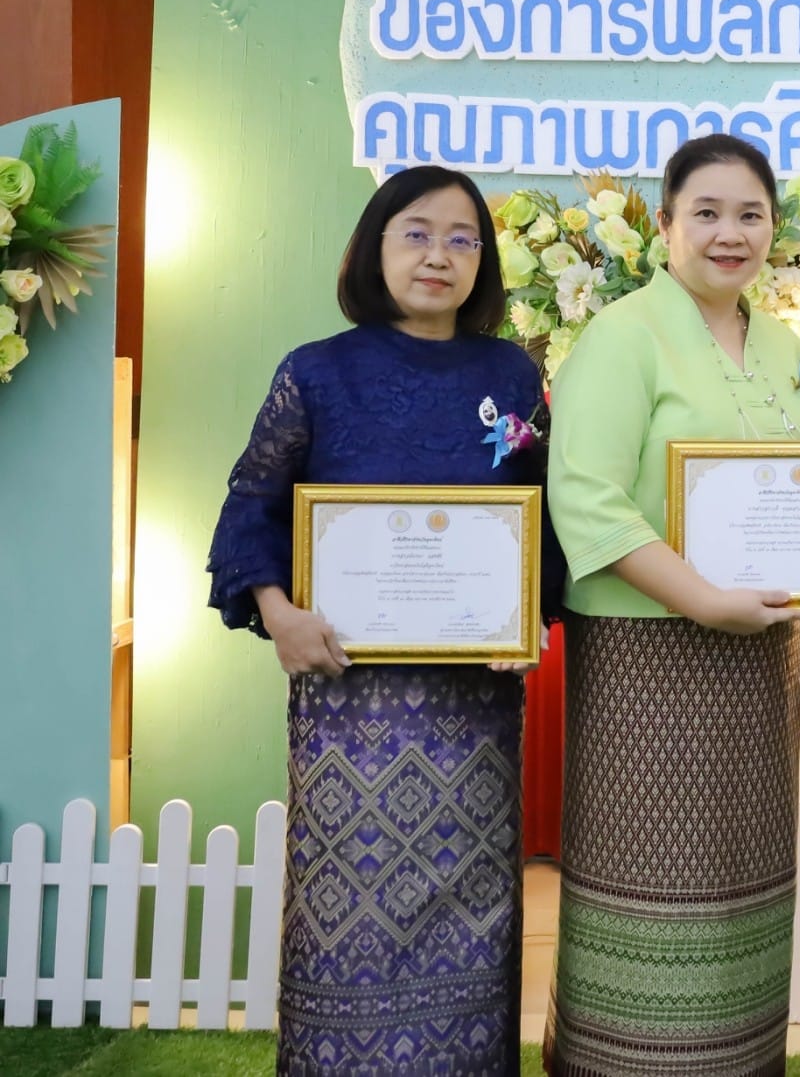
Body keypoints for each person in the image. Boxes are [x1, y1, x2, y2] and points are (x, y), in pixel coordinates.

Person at [205, 165, 544, 1076]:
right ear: (374, 247)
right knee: (340, 916)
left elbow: (539, 515)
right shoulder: (316, 371)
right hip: (348, 708)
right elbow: (251, 504)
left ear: (484, 258)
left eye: (463, 237)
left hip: (475, 717)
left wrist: (530, 617)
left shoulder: (513, 372)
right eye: (417, 233)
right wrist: (277, 612)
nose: (440, 254)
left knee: (475, 922)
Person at [543, 133, 800, 1077]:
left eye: (750, 214)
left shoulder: (786, 344)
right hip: (647, 662)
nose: (729, 232)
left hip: (762, 661)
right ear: (664, 224)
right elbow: (585, 496)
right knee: (651, 887)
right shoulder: (623, 334)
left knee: (741, 889)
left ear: (773, 230)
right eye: (705, 212)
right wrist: (703, 600)